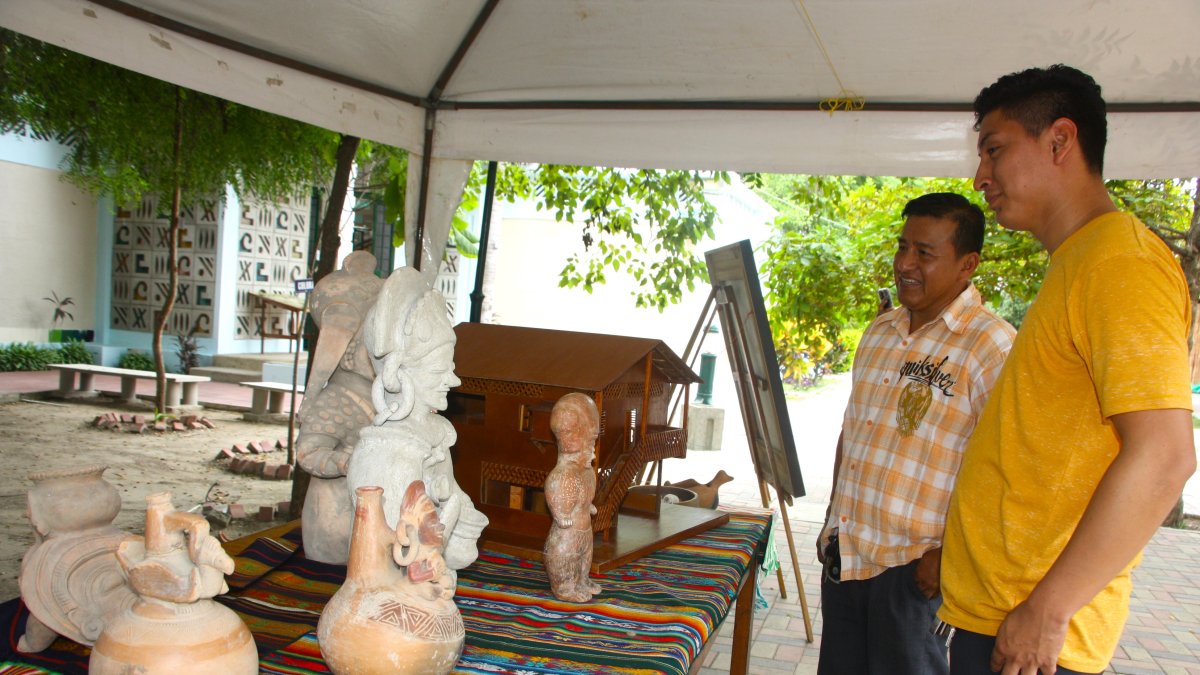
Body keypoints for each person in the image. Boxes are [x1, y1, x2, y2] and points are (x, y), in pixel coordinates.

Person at [938, 64, 1197, 675]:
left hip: (1032, 634)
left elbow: (1165, 456)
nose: (981, 178)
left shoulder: (1119, 264)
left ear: (1059, 141)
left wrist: (1049, 611)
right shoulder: (1080, 261)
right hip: (1002, 614)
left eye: (994, 151)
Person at [817, 192, 1016, 675]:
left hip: (914, 573)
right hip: (848, 557)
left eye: (924, 253)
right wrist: (832, 518)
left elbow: (1009, 470)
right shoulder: (880, 332)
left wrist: (950, 557)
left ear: (967, 264)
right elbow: (854, 429)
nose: (905, 263)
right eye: (902, 246)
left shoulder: (993, 345)